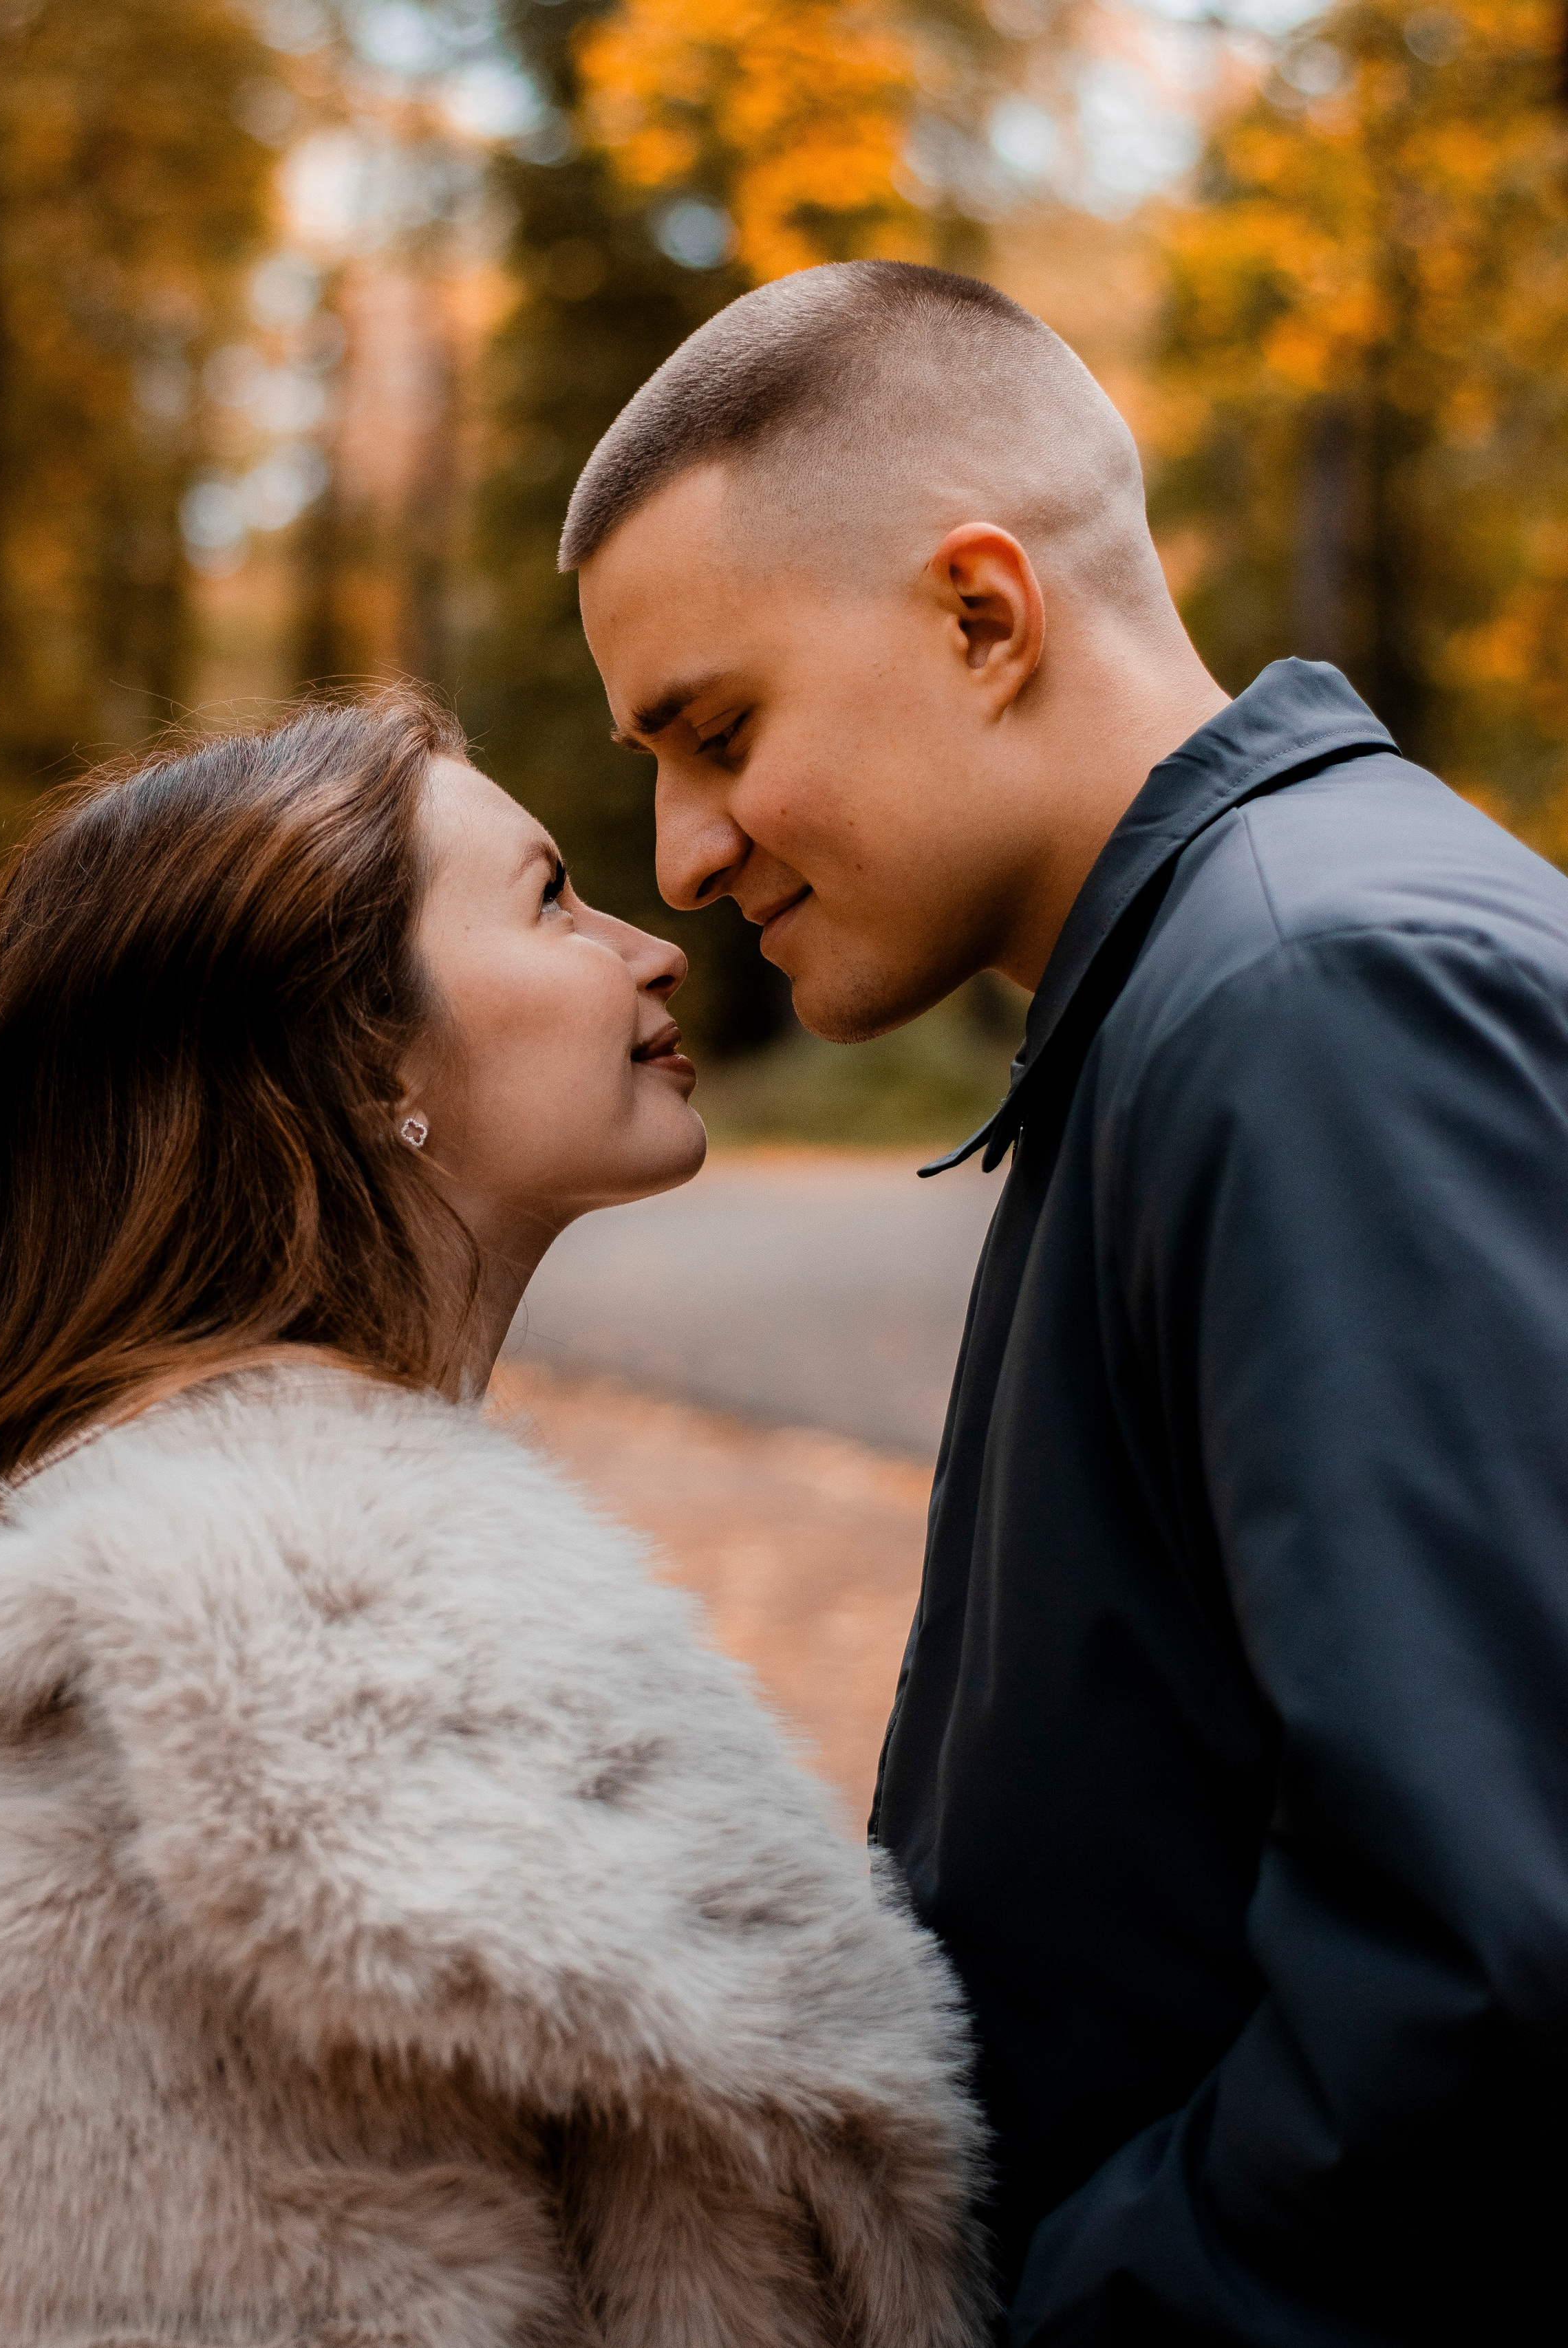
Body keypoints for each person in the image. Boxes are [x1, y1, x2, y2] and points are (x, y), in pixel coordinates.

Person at [563, 260, 1568, 2345]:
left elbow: (1493, 1964)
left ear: (984, 614)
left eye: (719, 729)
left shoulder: (1316, 997)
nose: (676, 850)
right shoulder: (1205, 994)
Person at [0, 690, 987, 2348]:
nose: (652, 945)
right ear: (364, 1062)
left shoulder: (308, 1684)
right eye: (551, 899)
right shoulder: (217, 1802)